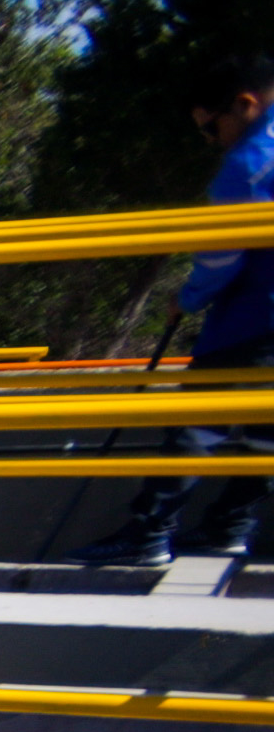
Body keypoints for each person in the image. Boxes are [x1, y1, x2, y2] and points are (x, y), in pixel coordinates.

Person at [76, 52, 274, 566]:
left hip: (252, 318)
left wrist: (185, 299)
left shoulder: (250, 164)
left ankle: (148, 535)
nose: (214, 141)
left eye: (212, 129)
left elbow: (221, 255)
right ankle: (229, 527)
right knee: (265, 433)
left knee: (195, 425)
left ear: (244, 105)